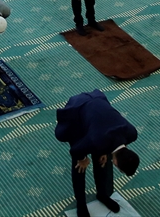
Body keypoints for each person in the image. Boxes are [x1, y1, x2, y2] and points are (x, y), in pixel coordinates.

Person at [55, 89, 139, 217]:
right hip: (78, 111)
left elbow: (112, 141)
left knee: (101, 159)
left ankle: (102, 194)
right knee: (79, 166)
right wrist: (83, 159)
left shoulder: (132, 134)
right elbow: (75, 150)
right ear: (115, 162)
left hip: (98, 121)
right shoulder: (97, 140)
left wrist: (104, 150)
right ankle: (81, 205)